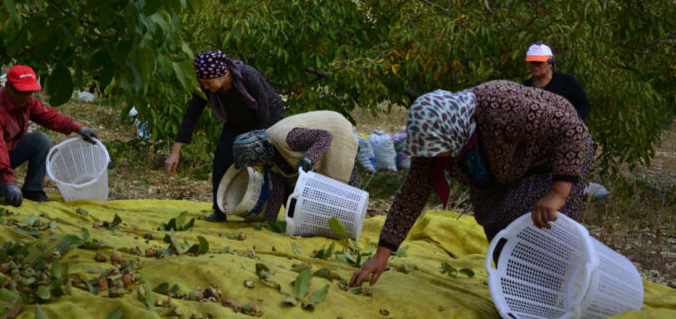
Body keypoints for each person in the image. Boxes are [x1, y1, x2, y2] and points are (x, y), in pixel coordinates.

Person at [350, 80, 593, 287]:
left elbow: (571, 131)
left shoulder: (500, 107)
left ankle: (553, 289)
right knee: (494, 218)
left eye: (439, 150)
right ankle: (516, 287)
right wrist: (382, 255)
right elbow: (410, 196)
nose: (435, 158)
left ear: (454, 133)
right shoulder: (433, 144)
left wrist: (557, 194)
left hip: (555, 157)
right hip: (503, 168)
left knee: (539, 224)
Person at [0, 65, 99, 207]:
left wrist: (79, 128)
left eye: (29, 92)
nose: (26, 97)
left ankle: (32, 190)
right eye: (21, 92)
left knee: (40, 140)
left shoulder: (27, 102)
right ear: (8, 87)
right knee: (2, 195)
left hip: (3, 153)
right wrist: (9, 183)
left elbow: (50, 117)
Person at [165, 50, 284, 222]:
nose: (205, 87)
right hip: (238, 121)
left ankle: (270, 213)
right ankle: (219, 211)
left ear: (224, 73)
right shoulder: (208, 84)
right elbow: (192, 114)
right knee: (222, 157)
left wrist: (258, 150)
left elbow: (264, 113)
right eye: (202, 83)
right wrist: (175, 151)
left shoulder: (248, 76)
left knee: (272, 166)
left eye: (208, 83)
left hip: (268, 119)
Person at [232, 110, 359, 222]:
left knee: (342, 190)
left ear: (257, 153)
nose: (254, 168)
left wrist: (309, 158)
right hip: (320, 144)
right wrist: (269, 222)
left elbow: (325, 136)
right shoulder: (270, 158)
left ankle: (354, 217)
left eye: (253, 163)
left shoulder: (286, 138)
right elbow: (277, 191)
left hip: (337, 132)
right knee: (294, 208)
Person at [522, 41, 591, 119]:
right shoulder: (525, 87)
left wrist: (569, 120)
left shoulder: (567, 81)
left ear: (550, 62)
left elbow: (584, 106)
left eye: (539, 62)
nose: (534, 66)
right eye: (532, 62)